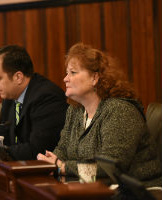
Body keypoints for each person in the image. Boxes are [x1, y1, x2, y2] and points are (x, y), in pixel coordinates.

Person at [37, 43, 162, 188]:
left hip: (137, 191)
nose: (65, 79)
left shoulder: (120, 111)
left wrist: (62, 166)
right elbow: (63, 148)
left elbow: (110, 167)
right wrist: (51, 161)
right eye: (67, 73)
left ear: (95, 78)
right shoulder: (75, 110)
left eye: (73, 72)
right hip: (93, 187)